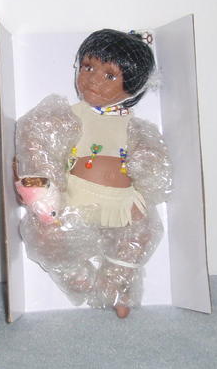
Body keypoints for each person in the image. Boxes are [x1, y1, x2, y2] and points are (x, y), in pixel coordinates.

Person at [14, 29, 172, 318]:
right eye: (88, 67)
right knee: (48, 233)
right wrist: (42, 186)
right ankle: (81, 278)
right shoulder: (68, 115)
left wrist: (147, 171)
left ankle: (116, 286)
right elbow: (39, 142)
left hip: (124, 203)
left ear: (134, 84)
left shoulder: (136, 127)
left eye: (109, 75)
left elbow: (154, 163)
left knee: (141, 234)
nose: (93, 79)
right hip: (77, 197)